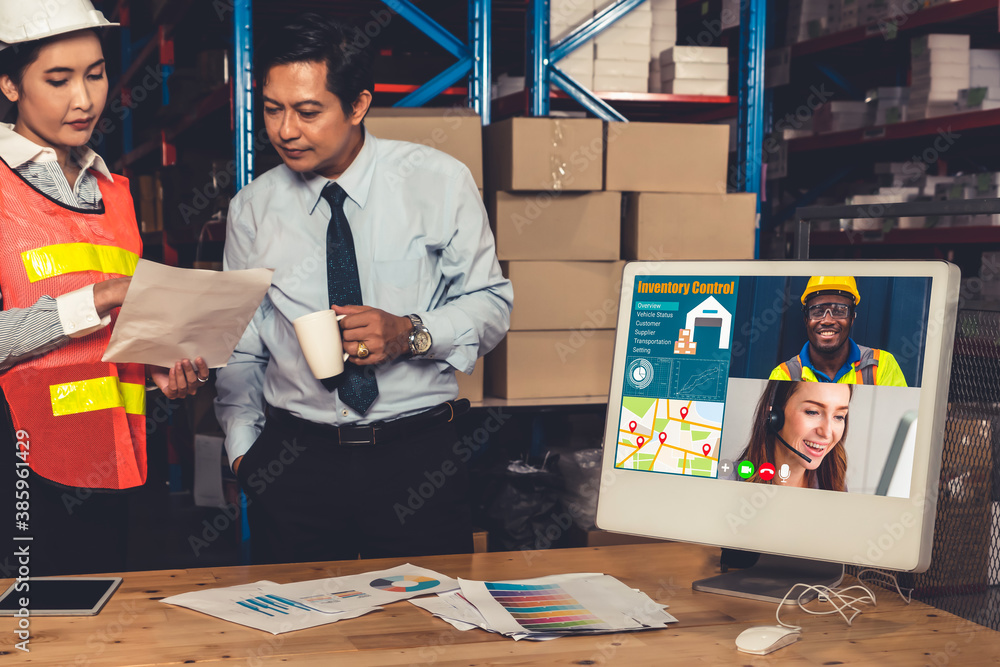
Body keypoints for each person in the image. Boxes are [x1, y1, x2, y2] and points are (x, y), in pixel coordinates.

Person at [214, 14, 513, 565]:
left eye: (307, 112)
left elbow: (492, 304)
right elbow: (241, 347)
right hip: (294, 464)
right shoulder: (251, 210)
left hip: (416, 460)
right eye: (272, 109)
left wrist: (410, 333)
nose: (285, 130)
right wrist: (242, 453)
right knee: (303, 640)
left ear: (357, 105)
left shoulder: (439, 182)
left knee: (429, 635)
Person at [0, 1, 208, 577]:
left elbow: (124, 330)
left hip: (120, 464)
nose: (84, 99)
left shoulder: (114, 191)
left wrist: (162, 367)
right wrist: (99, 298)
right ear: (9, 84)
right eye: (58, 79)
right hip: (22, 468)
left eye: (95, 73)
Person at [769, 276, 907, 386]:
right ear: (806, 319)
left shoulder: (881, 366)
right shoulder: (784, 375)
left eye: (839, 311)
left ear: (852, 318)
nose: (827, 320)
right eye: (817, 311)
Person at [734, 380, 851, 491]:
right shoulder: (727, 481)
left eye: (839, 416)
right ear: (774, 416)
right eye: (812, 412)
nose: (826, 433)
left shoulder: (836, 486)